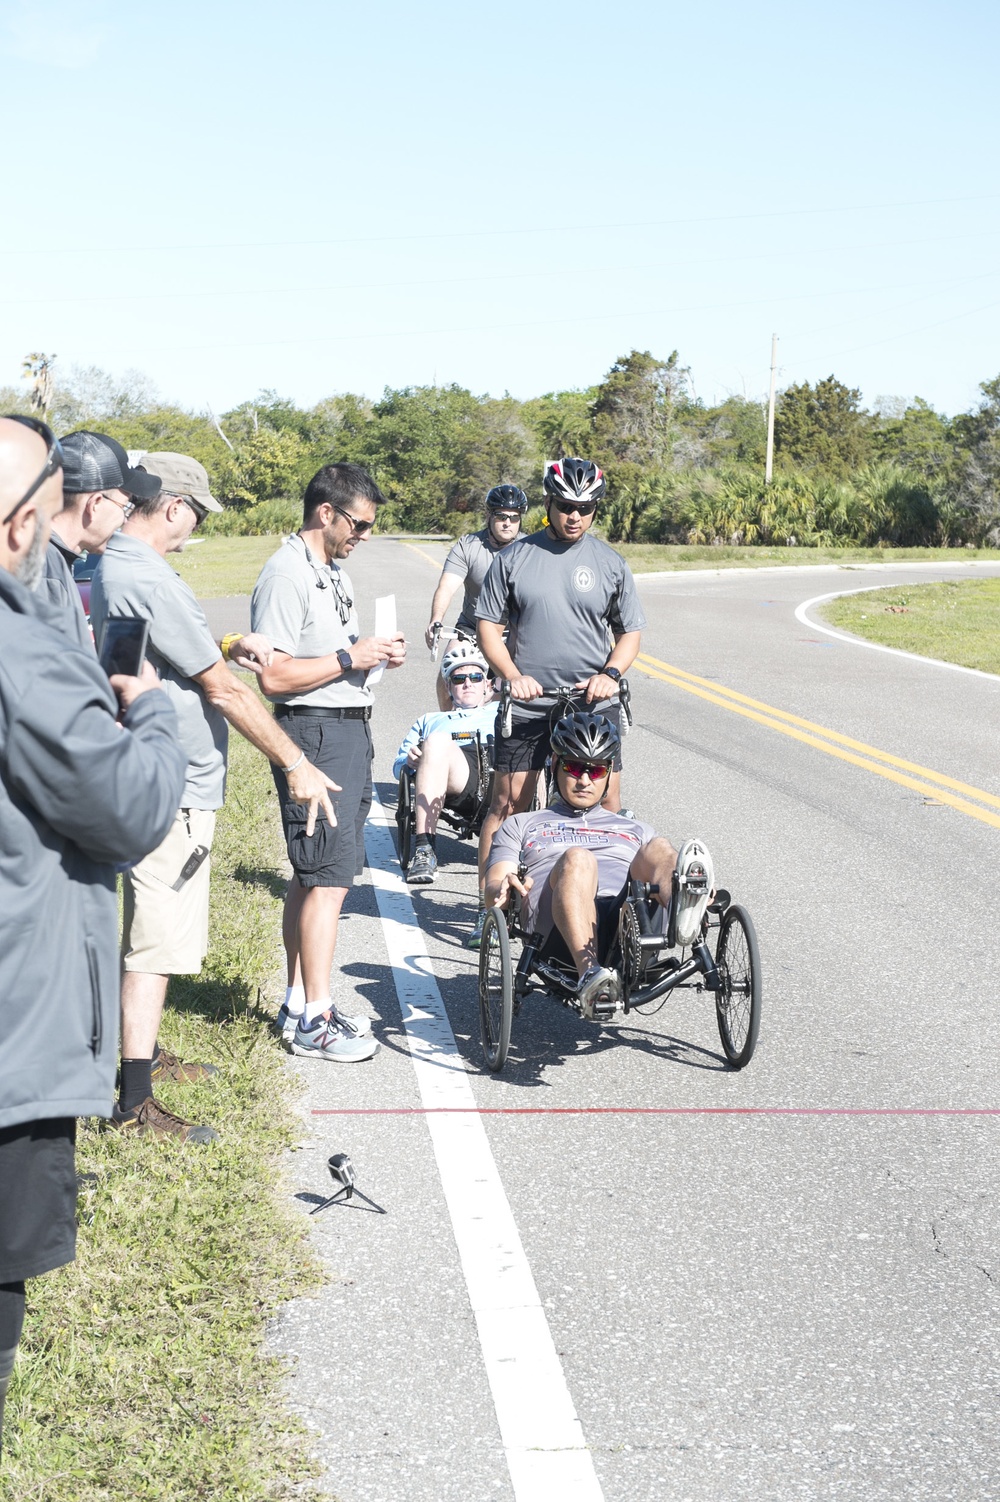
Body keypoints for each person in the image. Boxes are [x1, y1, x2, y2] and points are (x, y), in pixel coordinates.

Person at [0, 415, 186, 1456]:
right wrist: (147, 711)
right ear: (30, 519)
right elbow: (120, 807)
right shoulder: (20, 642)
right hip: (15, 1031)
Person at [90, 452, 338, 1142]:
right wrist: (295, 762)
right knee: (156, 940)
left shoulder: (114, 564)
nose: (194, 525)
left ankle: (142, 1054)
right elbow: (221, 689)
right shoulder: (148, 575)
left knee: (148, 931)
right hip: (171, 784)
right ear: (171, 506)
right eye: (195, 512)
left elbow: (133, 658)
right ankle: (133, 1100)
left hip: (142, 769)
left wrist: (227, 641)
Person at [252, 462, 407, 1057]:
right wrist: (349, 658)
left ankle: (298, 1004)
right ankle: (317, 1019)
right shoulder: (288, 574)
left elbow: (329, 657)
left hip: (342, 728)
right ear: (327, 513)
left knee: (312, 874)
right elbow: (275, 675)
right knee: (330, 882)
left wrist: (369, 659)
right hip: (316, 734)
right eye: (360, 525)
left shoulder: (328, 570)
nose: (363, 536)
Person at [471, 457, 646, 947]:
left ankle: (604, 909)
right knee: (508, 804)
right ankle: (490, 910)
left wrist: (611, 673)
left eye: (585, 509)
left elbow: (629, 632)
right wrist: (511, 675)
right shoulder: (515, 558)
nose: (575, 516)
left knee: (607, 804)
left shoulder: (610, 563)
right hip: (529, 702)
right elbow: (488, 626)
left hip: (591, 703)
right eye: (566, 506)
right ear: (548, 504)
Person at [485, 712, 713, 1019]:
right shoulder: (521, 824)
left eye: (595, 771)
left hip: (630, 921)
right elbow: (494, 884)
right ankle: (590, 975)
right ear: (555, 765)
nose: (583, 780)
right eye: (574, 766)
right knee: (578, 858)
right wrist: (502, 887)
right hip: (557, 926)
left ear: (608, 775)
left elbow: (650, 861)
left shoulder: (635, 828)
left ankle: (683, 908)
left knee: (660, 848)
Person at [38, 430, 163, 649]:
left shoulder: (46, 556)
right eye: (125, 508)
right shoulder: (46, 573)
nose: (124, 520)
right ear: (94, 504)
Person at [392, 641, 497, 886]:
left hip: (500, 772)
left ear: (486, 685)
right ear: (449, 688)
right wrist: (410, 761)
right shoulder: (430, 720)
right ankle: (424, 849)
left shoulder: (502, 710)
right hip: (457, 773)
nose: (468, 683)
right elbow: (399, 769)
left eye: (475, 676)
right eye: (459, 679)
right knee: (437, 741)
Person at [425, 485, 526, 709]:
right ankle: (447, 722)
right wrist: (436, 619)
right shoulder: (468, 546)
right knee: (448, 671)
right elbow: (447, 586)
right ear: (489, 516)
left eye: (514, 517)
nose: (507, 523)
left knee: (514, 689)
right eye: (501, 516)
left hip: (516, 632)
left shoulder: (530, 549)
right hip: (472, 628)